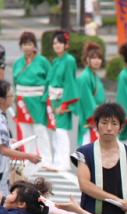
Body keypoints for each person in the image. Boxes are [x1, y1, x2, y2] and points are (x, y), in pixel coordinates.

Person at [72, 103, 127, 214]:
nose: (109, 128)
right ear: (96, 125)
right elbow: (84, 185)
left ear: (121, 127)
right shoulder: (85, 153)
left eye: (114, 124)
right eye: (104, 123)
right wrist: (116, 200)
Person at [0, 80, 42, 195]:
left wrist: (9, 141)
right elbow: (3, 149)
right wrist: (28, 156)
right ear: (1, 100)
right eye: (11, 95)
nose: (13, 98)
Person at [12, 31, 53, 164]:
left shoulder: (43, 61)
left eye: (29, 44)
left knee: (40, 129)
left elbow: (50, 79)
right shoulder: (18, 63)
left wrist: (45, 97)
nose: (27, 47)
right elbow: (14, 81)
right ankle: (30, 157)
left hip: (37, 99)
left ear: (34, 45)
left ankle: (46, 158)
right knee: (25, 130)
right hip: (22, 99)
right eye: (24, 44)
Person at [46, 31, 80, 171]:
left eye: (60, 42)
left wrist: (65, 104)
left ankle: (63, 162)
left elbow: (70, 82)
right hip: (53, 99)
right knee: (54, 130)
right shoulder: (55, 61)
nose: (57, 45)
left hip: (63, 99)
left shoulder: (69, 60)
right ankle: (56, 160)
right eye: (54, 43)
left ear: (66, 45)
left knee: (61, 130)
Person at [76, 41, 106, 145]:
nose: (97, 61)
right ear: (87, 59)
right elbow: (87, 100)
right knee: (88, 148)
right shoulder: (85, 77)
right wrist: (93, 117)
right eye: (93, 58)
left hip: (98, 115)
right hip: (90, 118)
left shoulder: (93, 75)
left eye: (99, 58)